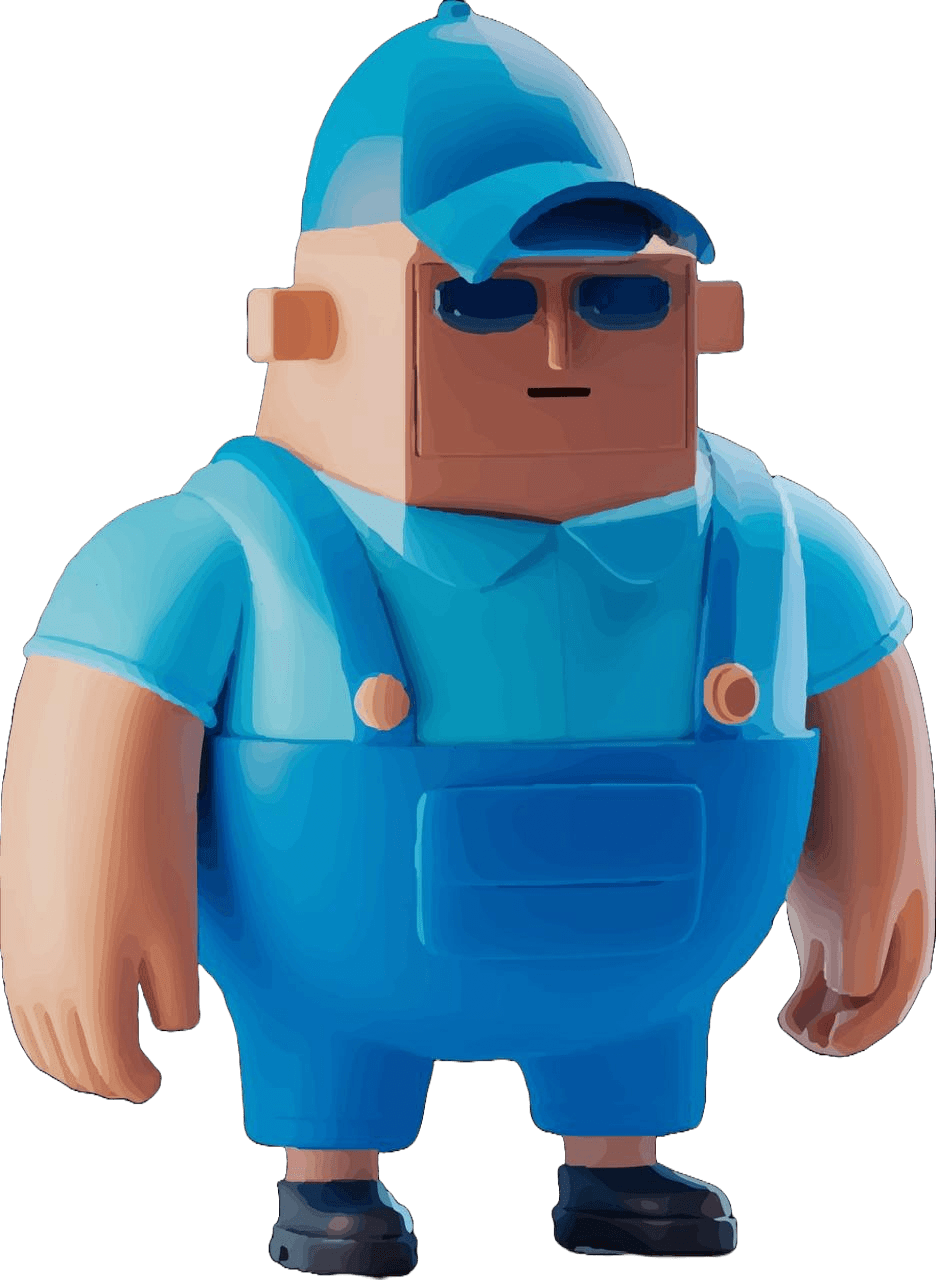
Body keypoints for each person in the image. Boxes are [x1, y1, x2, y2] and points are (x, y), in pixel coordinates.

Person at [2, 5, 932, 1275]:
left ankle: (618, 1160)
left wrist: (877, 865)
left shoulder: (770, 543)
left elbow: (862, 690)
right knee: (331, 1052)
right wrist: (72, 884)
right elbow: (99, 689)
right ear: (318, 324)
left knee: (630, 1044)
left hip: (651, 961)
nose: (560, 345)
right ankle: (329, 1176)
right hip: (332, 959)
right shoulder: (232, 547)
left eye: (615, 298)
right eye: (482, 302)